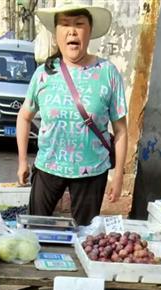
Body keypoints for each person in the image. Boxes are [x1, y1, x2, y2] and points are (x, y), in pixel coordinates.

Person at [15, 4, 128, 226]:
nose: (72, 31)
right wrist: (22, 161)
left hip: (92, 170)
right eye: (65, 25)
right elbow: (24, 117)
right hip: (48, 165)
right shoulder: (43, 74)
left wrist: (119, 175)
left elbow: (122, 131)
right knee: (35, 229)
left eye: (79, 24)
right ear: (56, 33)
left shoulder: (107, 72)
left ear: (89, 31)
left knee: (86, 237)